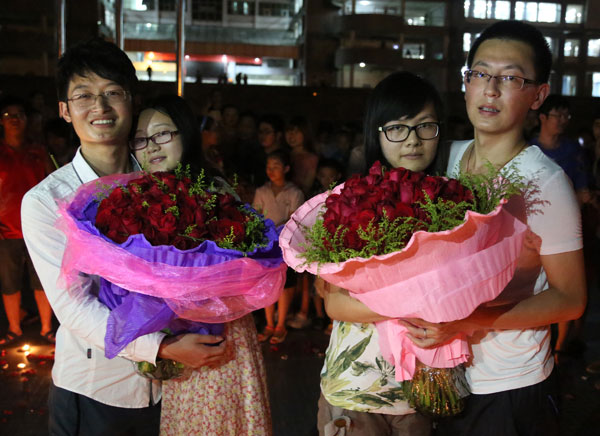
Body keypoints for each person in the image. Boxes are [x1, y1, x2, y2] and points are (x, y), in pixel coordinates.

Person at [21, 38, 226, 436]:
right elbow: (75, 308)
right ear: (64, 110)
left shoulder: (164, 180)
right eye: (84, 95)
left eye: (113, 93)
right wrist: (159, 348)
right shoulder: (46, 201)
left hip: (177, 387)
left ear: (132, 101)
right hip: (98, 386)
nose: (99, 107)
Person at [399, 21, 586, 436]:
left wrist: (467, 321)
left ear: (538, 95)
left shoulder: (546, 184)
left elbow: (571, 299)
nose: (491, 89)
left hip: (508, 385)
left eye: (510, 78)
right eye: (480, 73)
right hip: (438, 375)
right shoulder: (442, 157)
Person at [132, 95, 272, 435]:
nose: (152, 147)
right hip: (176, 339)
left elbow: (240, 268)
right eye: (140, 139)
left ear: (187, 135)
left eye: (163, 134)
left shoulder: (213, 191)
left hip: (220, 334)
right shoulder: (138, 196)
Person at [316, 71, 446, 436]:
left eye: (425, 126)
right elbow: (336, 305)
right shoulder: (349, 201)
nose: (413, 141)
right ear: (377, 133)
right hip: (358, 387)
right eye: (397, 128)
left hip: (424, 390)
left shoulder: (456, 203)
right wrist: (416, 303)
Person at [0, 95, 54, 346]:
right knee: (9, 281)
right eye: (9, 116)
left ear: (26, 120)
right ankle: (14, 328)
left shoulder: (37, 151)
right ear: (2, 121)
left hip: (37, 228)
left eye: (18, 115)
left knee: (41, 279)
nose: (14, 120)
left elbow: (51, 184)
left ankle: (46, 328)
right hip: (5, 230)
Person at [253, 149, 304, 344]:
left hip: (286, 244)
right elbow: (255, 214)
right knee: (268, 282)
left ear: (286, 168)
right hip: (266, 245)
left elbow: (294, 218)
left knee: (285, 283)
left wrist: (276, 229)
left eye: (276, 166)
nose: (271, 170)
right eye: (268, 167)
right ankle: (268, 324)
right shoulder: (261, 191)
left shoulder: (294, 192)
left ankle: (280, 324)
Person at [285, 115, 319, 196]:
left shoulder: (311, 159)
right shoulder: (282, 154)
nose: (291, 135)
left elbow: (306, 187)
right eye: (288, 131)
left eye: (296, 132)